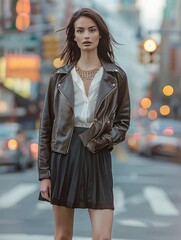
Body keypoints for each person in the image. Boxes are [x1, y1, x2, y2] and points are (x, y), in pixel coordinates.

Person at [38, 7, 130, 240]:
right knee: (62, 236)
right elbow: (46, 127)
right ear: (74, 37)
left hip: (97, 155)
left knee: (102, 237)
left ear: (100, 35)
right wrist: (44, 175)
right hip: (64, 155)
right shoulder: (59, 78)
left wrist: (102, 140)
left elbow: (122, 123)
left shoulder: (116, 77)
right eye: (81, 31)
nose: (86, 35)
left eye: (92, 30)